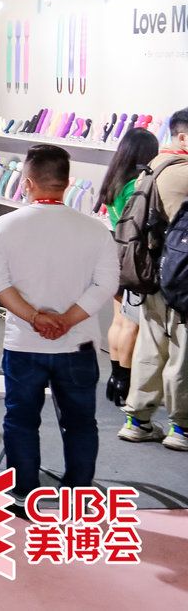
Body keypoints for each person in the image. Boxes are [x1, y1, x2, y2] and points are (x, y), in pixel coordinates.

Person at [0, 144, 117, 508]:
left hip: (24, 344)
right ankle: (78, 493)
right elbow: (106, 284)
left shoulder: (5, 227)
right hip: (78, 343)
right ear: (67, 182)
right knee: (81, 423)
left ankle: (24, 493)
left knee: (21, 420)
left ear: (27, 182)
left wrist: (35, 318)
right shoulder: (95, 229)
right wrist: (66, 320)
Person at [120, 108, 188, 450]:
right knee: (182, 353)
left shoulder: (154, 166)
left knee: (151, 347)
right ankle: (182, 427)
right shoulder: (183, 172)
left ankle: (138, 420)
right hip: (182, 277)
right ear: (183, 136)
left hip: (152, 273)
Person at [99, 128, 160, 407]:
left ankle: (115, 377)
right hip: (132, 257)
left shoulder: (114, 180)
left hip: (114, 251)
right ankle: (125, 380)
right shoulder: (137, 184)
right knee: (132, 323)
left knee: (118, 320)